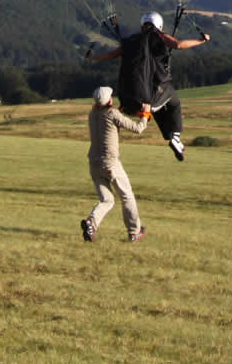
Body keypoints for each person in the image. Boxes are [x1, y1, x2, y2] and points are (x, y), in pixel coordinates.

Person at [89, 12, 209, 161]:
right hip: (151, 92)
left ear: (142, 25)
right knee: (174, 103)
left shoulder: (132, 41)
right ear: (159, 25)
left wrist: (93, 57)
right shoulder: (159, 36)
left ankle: (171, 137)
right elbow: (178, 45)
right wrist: (201, 40)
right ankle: (175, 137)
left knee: (158, 109)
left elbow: (112, 54)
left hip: (134, 96)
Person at [81, 86, 148, 243]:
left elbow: (107, 116)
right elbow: (137, 129)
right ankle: (134, 232)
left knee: (107, 200)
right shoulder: (113, 114)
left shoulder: (92, 114)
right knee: (127, 196)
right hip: (110, 163)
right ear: (110, 101)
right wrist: (145, 115)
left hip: (94, 164)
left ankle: (91, 223)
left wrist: (120, 110)